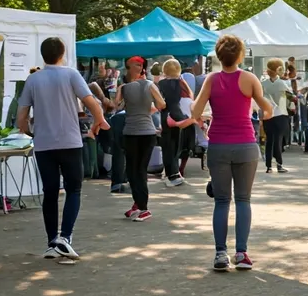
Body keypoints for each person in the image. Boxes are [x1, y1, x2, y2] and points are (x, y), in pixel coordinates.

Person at [15, 37, 108, 259]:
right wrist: (98, 122)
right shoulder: (71, 75)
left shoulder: (34, 79)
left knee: (49, 192)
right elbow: (91, 102)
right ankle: (65, 237)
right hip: (70, 141)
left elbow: (22, 115)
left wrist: (28, 131)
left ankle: (51, 242)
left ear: (43, 54)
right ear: (62, 53)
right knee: (74, 189)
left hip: (44, 144)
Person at [191, 35, 273, 272]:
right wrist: (265, 112)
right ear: (240, 55)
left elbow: (196, 110)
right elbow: (265, 107)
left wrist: (201, 120)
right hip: (246, 144)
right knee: (243, 199)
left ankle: (220, 253)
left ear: (218, 56)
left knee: (221, 201)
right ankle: (242, 253)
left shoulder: (211, 79)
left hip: (217, 144)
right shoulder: (249, 78)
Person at [116, 57, 168, 221]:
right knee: (139, 170)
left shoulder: (124, 87)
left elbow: (116, 106)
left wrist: (121, 91)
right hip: (147, 133)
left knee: (133, 171)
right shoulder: (150, 85)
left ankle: (143, 207)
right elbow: (161, 105)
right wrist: (145, 110)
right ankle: (138, 205)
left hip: (131, 132)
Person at [156, 59, 195, 186]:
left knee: (167, 145)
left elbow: (159, 101)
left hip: (166, 113)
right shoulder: (180, 82)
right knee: (176, 144)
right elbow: (190, 95)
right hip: (177, 113)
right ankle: (175, 173)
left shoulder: (160, 83)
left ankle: (170, 175)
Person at [261, 59, 292, 173]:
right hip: (281, 113)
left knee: (269, 140)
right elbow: (291, 99)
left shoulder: (263, 84)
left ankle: (268, 166)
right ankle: (279, 164)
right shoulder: (284, 83)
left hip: (267, 114)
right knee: (278, 140)